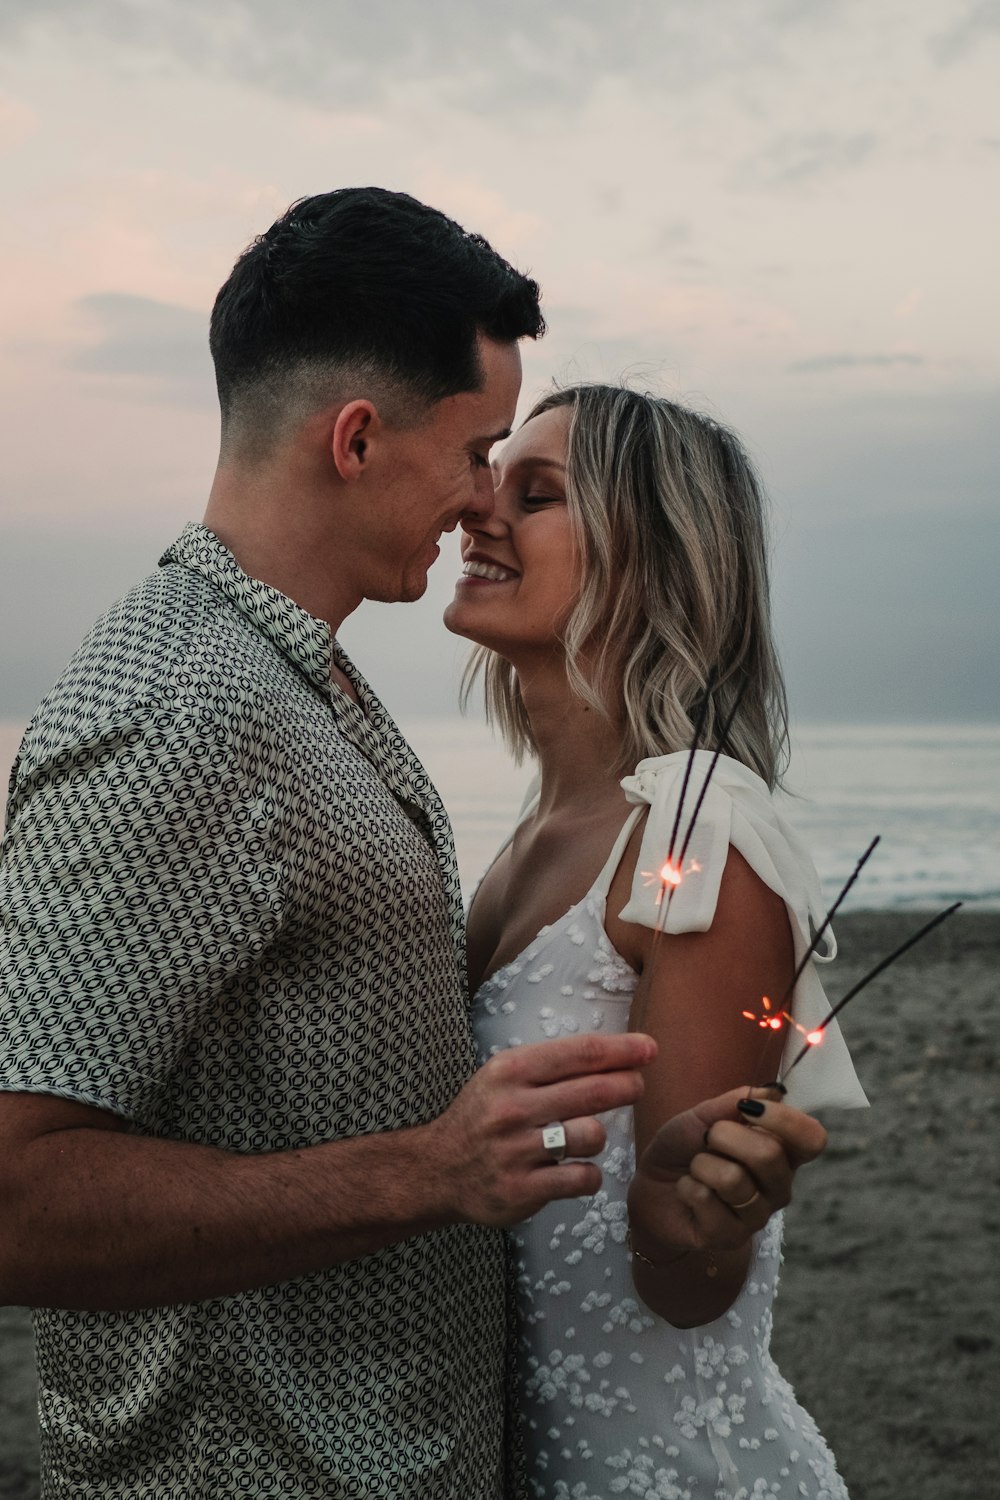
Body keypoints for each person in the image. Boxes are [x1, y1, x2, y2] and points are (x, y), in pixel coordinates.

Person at [0, 192, 658, 1499]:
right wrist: (429, 1171)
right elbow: (18, 1199)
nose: (482, 502)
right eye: (476, 452)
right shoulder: (178, 717)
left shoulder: (300, 683)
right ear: (356, 438)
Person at [444, 383, 869, 1499]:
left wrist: (694, 1211)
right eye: (493, 480)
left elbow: (687, 1277)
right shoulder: (530, 838)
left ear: (651, 564)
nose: (475, 512)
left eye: (534, 495)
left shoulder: (697, 831)